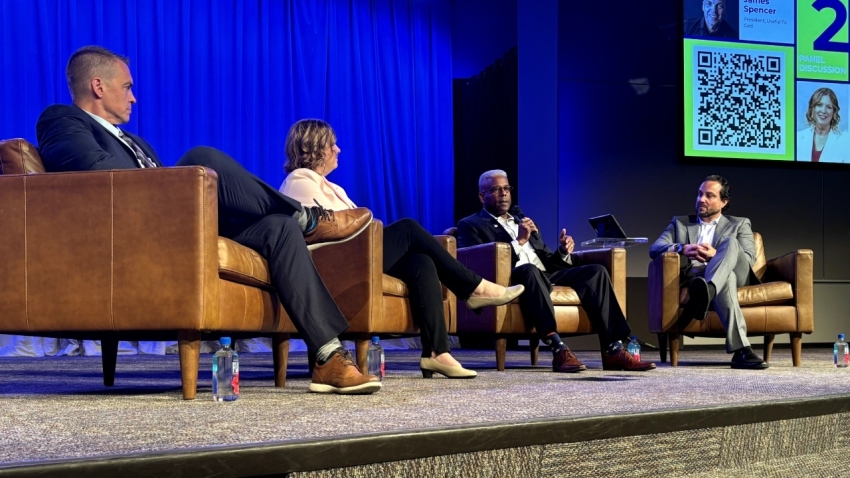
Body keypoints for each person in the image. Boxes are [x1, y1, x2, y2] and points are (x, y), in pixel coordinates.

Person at [36, 45, 381, 395]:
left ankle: (328, 356)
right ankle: (307, 217)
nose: (134, 98)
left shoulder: (136, 142)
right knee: (201, 157)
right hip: (135, 231)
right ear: (98, 86)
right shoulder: (61, 120)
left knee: (279, 228)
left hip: (180, 224)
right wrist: (173, 184)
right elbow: (95, 175)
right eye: (127, 87)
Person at [279, 119, 525, 379]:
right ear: (314, 148)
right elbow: (320, 232)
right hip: (332, 264)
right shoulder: (299, 181)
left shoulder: (334, 187)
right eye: (332, 145)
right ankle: (474, 287)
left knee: (421, 262)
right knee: (408, 228)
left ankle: (437, 353)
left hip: (357, 254)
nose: (338, 150)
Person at [456, 170, 656, 373]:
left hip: (544, 275)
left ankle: (614, 348)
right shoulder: (470, 225)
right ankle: (558, 349)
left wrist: (562, 251)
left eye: (506, 188)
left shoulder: (523, 221)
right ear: (482, 196)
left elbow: (547, 261)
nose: (504, 193)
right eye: (496, 189)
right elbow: (481, 263)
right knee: (529, 270)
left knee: (596, 272)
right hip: (510, 280)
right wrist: (519, 241)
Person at [649, 175, 768, 370]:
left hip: (736, 271)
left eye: (709, 195)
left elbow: (747, 259)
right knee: (725, 279)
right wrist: (682, 248)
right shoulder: (680, 223)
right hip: (698, 276)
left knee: (730, 243)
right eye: (700, 194)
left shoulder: (739, 223)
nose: (701, 199)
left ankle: (707, 292)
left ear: (724, 202)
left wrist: (716, 254)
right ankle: (741, 351)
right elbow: (654, 249)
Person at [796, 88, 849, 163]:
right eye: (819, 105)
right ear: (813, 109)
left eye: (829, 107)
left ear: (834, 112)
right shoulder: (798, 138)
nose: (823, 111)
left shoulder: (845, 141)